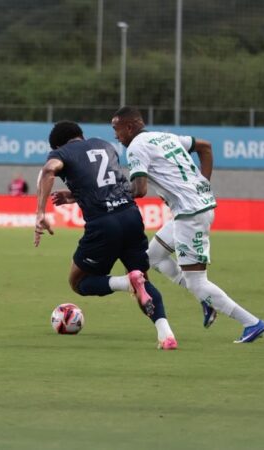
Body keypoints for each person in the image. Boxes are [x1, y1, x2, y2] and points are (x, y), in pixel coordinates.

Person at [111, 106, 264, 344]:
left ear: (130, 127)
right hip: (190, 210)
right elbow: (205, 147)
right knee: (151, 257)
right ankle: (206, 302)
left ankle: (251, 323)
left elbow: (139, 189)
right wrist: (203, 184)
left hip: (190, 215)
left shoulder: (135, 148)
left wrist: (112, 196)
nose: (116, 135)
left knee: (197, 282)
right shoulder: (165, 136)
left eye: (117, 129)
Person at [34, 120, 178, 350]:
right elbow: (107, 182)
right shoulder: (105, 145)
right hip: (131, 215)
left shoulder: (61, 152)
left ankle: (125, 282)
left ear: (59, 144)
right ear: (80, 135)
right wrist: (74, 195)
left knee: (78, 282)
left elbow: (49, 170)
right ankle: (166, 334)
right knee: (143, 280)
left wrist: (40, 212)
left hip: (103, 223)